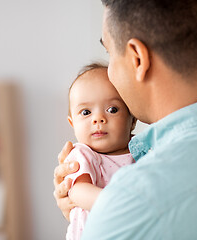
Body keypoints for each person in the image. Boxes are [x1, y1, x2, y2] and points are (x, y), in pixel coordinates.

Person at [54, 0, 197, 239]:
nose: (110, 74)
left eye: (110, 53)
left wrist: (104, 219)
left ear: (138, 58)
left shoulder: (130, 206)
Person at [63, 63, 136, 240]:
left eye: (112, 110)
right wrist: (121, 205)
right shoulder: (84, 154)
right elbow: (78, 191)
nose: (98, 119)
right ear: (72, 124)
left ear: (132, 119)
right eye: (86, 112)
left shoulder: (141, 151)